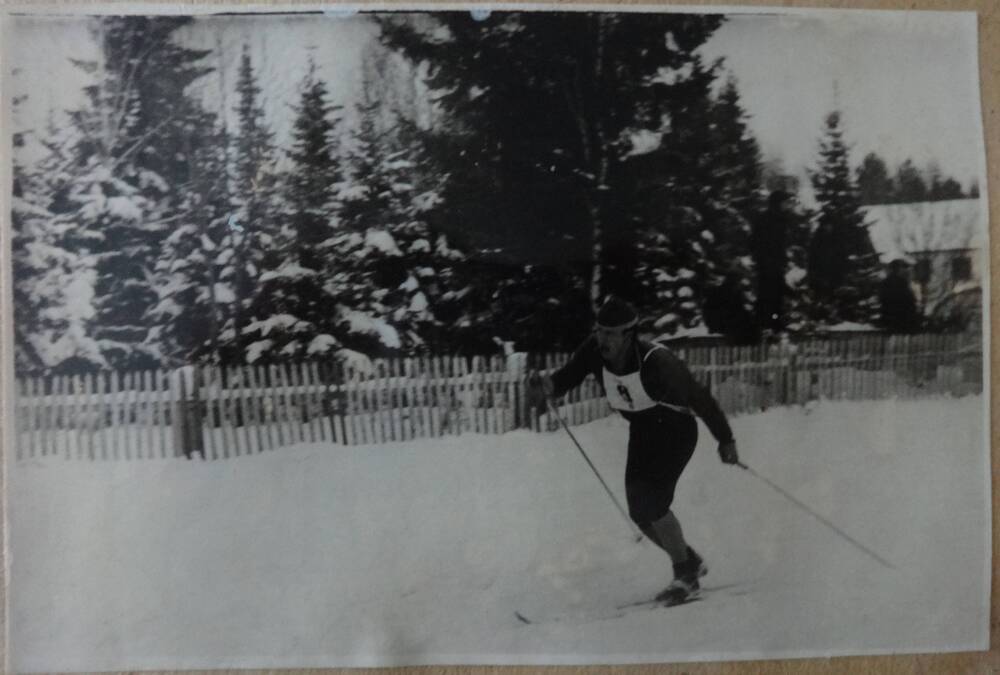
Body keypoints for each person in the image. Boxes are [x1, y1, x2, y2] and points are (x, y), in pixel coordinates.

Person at [541, 296, 740, 604]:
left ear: (629, 334)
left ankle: (684, 576)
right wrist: (547, 386)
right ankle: (689, 562)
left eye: (610, 333)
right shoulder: (593, 351)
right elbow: (567, 376)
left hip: (676, 431)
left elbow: (700, 398)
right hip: (643, 431)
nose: (602, 339)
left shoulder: (657, 361)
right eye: (599, 331)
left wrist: (725, 440)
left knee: (655, 503)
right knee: (640, 512)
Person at [878, 259, 921, 334]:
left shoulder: (885, 282)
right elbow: (909, 299)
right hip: (901, 318)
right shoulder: (902, 282)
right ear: (898, 269)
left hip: (888, 317)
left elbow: (881, 298)